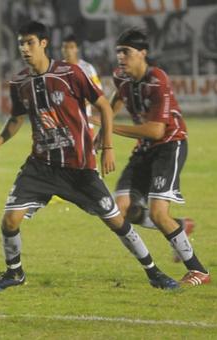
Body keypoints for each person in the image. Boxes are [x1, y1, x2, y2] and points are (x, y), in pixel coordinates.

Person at [0, 21, 178, 292]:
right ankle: (14, 274)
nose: (24, 49)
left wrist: (107, 146)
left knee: (116, 221)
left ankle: (154, 272)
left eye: (29, 43)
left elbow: (104, 108)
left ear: (43, 44)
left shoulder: (70, 73)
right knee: (9, 220)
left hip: (79, 168)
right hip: (40, 167)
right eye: (20, 44)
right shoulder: (19, 82)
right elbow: (16, 118)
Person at [97, 28, 210, 286]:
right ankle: (179, 226)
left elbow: (156, 130)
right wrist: (104, 125)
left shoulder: (157, 80)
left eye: (126, 52)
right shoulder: (121, 78)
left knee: (159, 213)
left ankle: (199, 270)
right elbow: (117, 99)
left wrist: (108, 127)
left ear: (142, 54)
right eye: (118, 53)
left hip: (169, 145)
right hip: (145, 148)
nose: (120, 58)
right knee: (121, 209)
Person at [61, 34, 103, 132]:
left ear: (77, 49)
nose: (67, 50)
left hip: (84, 122)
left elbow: (97, 91)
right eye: (65, 47)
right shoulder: (57, 69)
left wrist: (79, 104)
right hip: (64, 123)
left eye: (71, 47)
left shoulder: (87, 68)